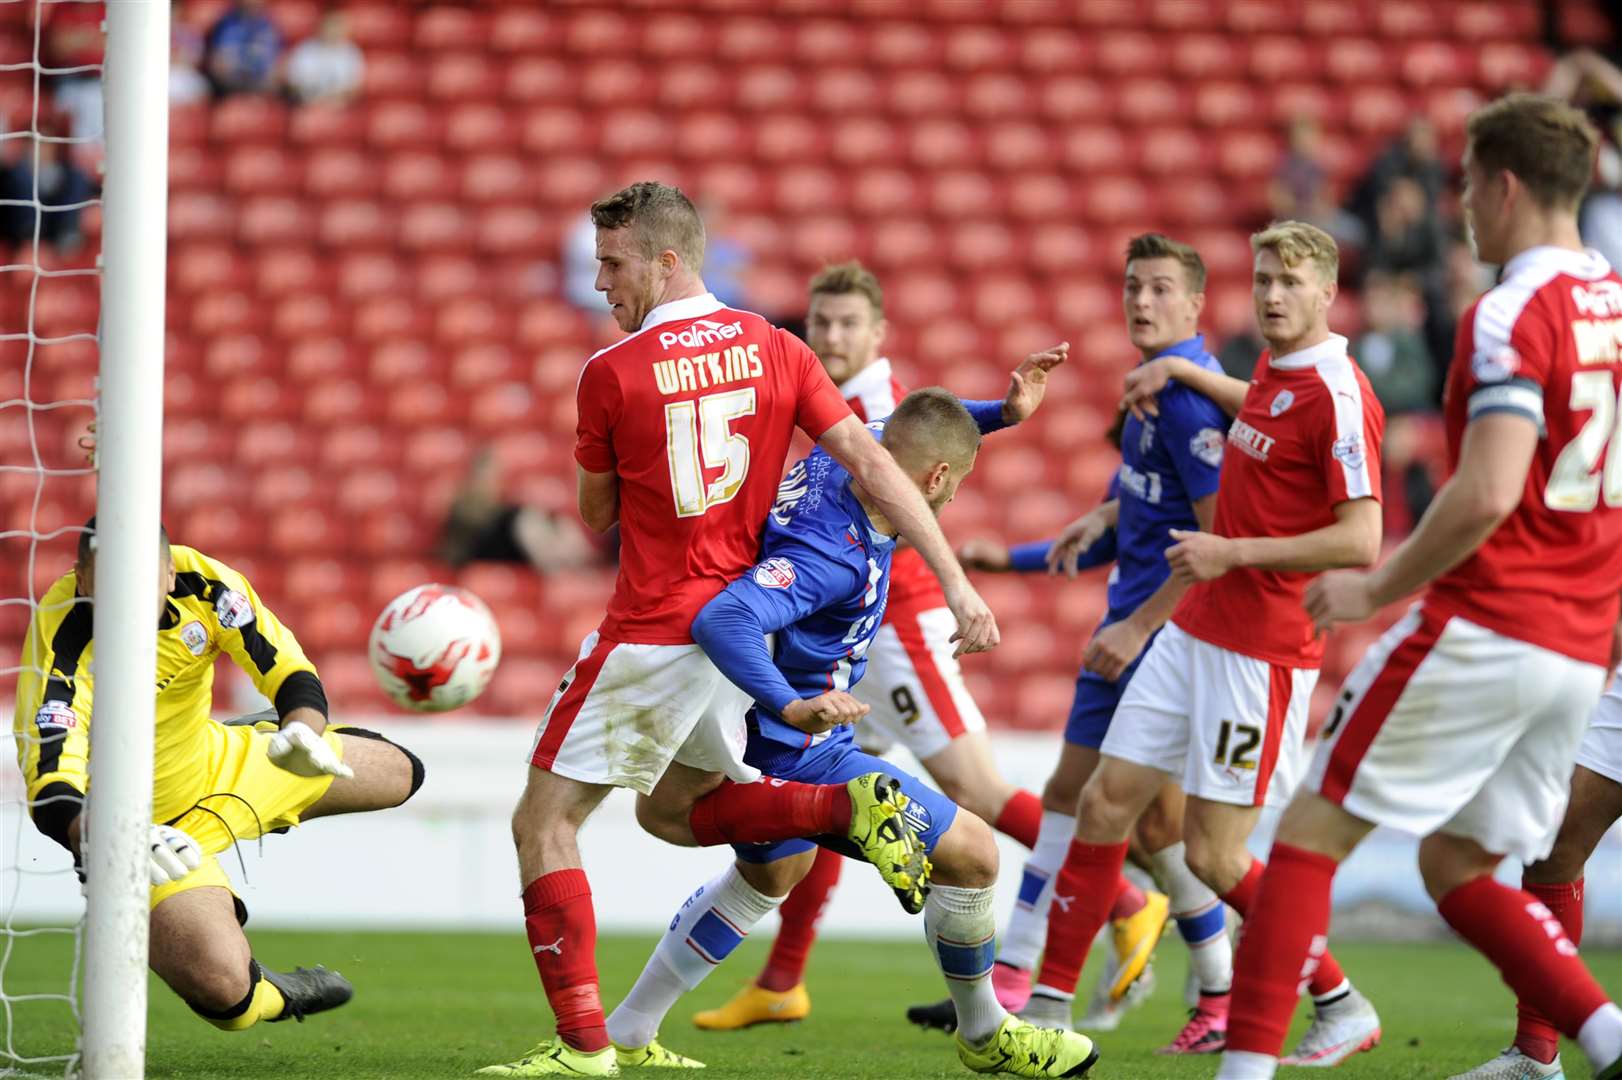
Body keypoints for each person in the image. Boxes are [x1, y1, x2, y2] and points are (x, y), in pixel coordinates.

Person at [480, 181, 998, 1077]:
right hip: (749, 629)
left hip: (655, 623)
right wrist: (955, 582)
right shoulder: (778, 347)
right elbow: (874, 463)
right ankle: (833, 813)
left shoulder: (609, 373)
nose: (600, 282)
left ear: (668, 260)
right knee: (687, 821)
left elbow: (597, 513)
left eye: (613, 263)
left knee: (544, 824)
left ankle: (585, 1047)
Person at [1216, 92, 1622, 1080]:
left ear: (1503, 183)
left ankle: (1243, 1071)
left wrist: (1374, 587)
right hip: (1575, 648)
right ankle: (1601, 1036)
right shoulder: (1610, 299)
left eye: (1465, 186)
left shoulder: (1507, 312)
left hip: (1490, 621)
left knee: (1306, 837)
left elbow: (1484, 488)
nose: (1461, 208)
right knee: (1455, 864)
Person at [608, 386, 1100, 1078]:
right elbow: (725, 620)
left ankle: (628, 1027)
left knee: (772, 872)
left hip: (768, 727)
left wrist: (1002, 415)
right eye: (954, 484)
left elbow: (923, 422)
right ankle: (986, 1032)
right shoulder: (830, 557)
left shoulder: (862, 446)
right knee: (975, 854)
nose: (952, 500)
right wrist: (788, 705)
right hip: (793, 744)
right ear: (935, 479)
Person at [1022, 221, 1385, 1065]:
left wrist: (1233, 552)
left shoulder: (1339, 392)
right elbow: (1259, 411)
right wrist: (1187, 368)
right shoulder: (1271, 367)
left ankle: (1337, 998)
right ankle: (1045, 1014)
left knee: (1214, 856)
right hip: (1196, 628)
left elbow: (1361, 539)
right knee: (1107, 805)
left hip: (1261, 651)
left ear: (1328, 291)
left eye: (1290, 282)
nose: (1270, 295)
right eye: (1262, 278)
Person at [689, 260, 1053, 1032]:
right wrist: (789, 698)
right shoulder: (844, 512)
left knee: (786, 860)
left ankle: (750, 986)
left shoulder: (861, 423)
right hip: (848, 644)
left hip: (877, 632)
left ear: (878, 334)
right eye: (819, 322)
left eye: (846, 323)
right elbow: (914, 447)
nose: (830, 335)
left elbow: (913, 436)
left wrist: (1000, 415)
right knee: (961, 820)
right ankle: (1026, 974)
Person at [912, 234, 1241, 1040]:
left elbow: (1216, 537)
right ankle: (1202, 992)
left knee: (1156, 829)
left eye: (1162, 289)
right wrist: (1016, 558)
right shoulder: (1148, 396)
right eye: (1133, 286)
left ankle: (1035, 976)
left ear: (1196, 304)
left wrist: (1137, 624)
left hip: (1155, 636)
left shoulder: (1187, 400)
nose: (1141, 301)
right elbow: (1129, 523)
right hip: (1126, 626)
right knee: (1140, 825)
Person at [13, 522, 424, 1032]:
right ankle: (279, 990)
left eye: (138, 579)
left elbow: (287, 670)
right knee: (230, 999)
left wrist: (302, 732)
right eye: (107, 582)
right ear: (82, 579)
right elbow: (51, 788)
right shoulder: (63, 646)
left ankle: (268, 746)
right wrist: (110, 834)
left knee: (402, 772)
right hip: (140, 835)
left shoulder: (204, 583)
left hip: (217, 763)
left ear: (167, 573)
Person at [438, 448, 608, 573]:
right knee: (525, 519)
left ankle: (575, 562)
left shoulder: (507, 509)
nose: (492, 481)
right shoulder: (463, 505)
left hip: (513, 555)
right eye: (486, 474)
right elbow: (459, 543)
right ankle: (564, 566)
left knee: (551, 521)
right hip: (481, 558)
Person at [283, 10, 363, 106]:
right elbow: (294, 83)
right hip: (307, 103)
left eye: (338, 26)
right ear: (321, 26)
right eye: (331, 25)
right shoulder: (305, 49)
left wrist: (332, 100)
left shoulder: (352, 53)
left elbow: (353, 89)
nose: (334, 30)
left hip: (339, 107)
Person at [205, 0, 282, 98]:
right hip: (230, 87)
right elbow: (217, 62)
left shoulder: (271, 27)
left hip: (262, 87)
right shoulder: (224, 26)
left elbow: (278, 64)